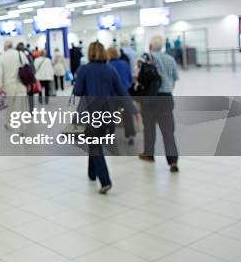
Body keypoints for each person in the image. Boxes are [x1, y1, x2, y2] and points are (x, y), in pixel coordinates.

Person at [73, 42, 139, 194]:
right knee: (95, 144)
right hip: (108, 114)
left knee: (95, 146)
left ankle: (105, 181)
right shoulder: (111, 70)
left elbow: (77, 91)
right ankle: (92, 173)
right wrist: (134, 110)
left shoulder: (84, 70)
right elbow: (122, 91)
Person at [139, 34, 180, 173]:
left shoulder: (146, 58)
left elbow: (139, 78)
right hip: (167, 98)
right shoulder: (170, 59)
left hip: (151, 99)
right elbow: (175, 78)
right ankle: (173, 160)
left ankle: (149, 154)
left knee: (149, 128)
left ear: (150, 46)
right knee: (168, 131)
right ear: (162, 46)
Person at [0, 40, 29, 130]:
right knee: (21, 107)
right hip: (21, 84)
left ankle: (10, 125)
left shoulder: (1, 57)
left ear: (5, 47)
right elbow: (27, 68)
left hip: (8, 86)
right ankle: (21, 128)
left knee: (9, 108)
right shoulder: (20, 54)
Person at [107, 46, 136, 144]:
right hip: (125, 94)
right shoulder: (124, 64)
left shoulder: (108, 66)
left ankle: (110, 135)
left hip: (113, 96)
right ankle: (130, 136)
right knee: (127, 115)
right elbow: (130, 79)